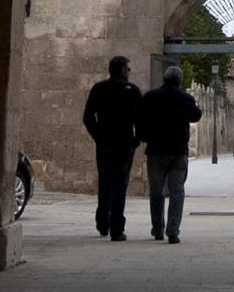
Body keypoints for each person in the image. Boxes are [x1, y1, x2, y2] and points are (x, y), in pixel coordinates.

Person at [135, 65, 202, 244]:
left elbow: (138, 117)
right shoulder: (185, 98)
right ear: (179, 80)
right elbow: (196, 116)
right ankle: (173, 231)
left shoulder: (150, 97)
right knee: (177, 191)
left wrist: (141, 136)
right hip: (178, 151)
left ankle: (157, 229)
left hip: (156, 150)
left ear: (164, 79)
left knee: (156, 192)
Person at [82, 55, 142, 241]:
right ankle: (117, 228)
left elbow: (88, 117)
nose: (129, 73)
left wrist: (98, 137)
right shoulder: (131, 90)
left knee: (105, 182)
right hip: (124, 143)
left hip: (105, 144)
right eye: (128, 69)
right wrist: (136, 139)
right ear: (123, 70)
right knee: (120, 185)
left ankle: (102, 224)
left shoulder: (99, 88)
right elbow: (140, 118)